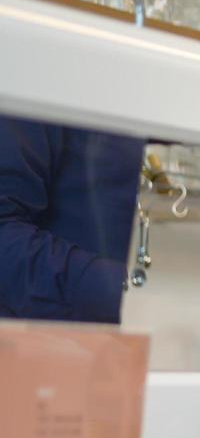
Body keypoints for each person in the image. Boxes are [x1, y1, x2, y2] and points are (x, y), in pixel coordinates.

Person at [0, 116, 144, 323]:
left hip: (146, 326)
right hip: (54, 340)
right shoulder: (33, 95)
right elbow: (4, 239)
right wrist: (128, 292)